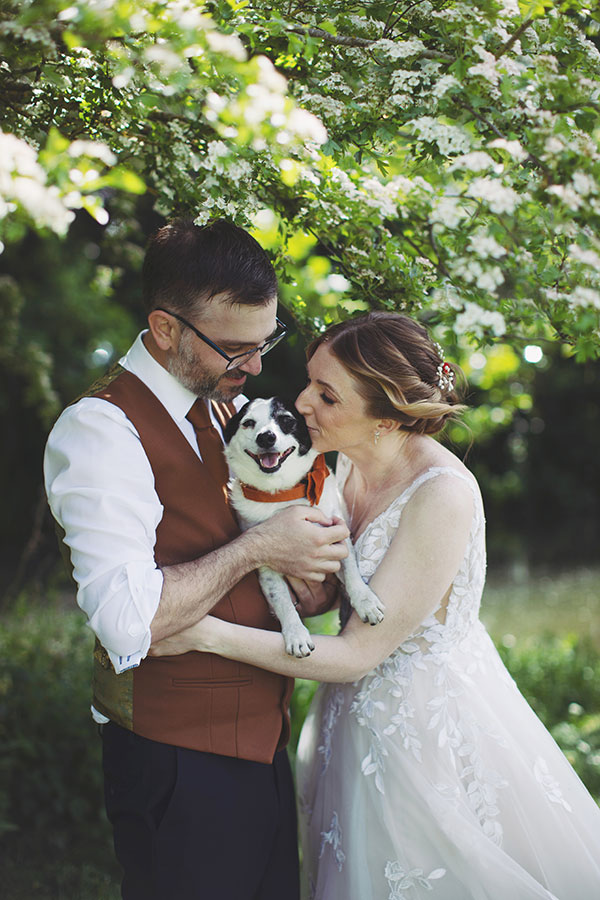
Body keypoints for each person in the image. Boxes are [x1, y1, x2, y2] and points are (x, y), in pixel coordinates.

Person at [151, 311, 600, 899]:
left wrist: (201, 633)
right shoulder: (345, 465)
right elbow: (337, 596)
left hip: (423, 729)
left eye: (327, 395)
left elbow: (356, 653)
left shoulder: (441, 495)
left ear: (386, 418)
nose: (304, 404)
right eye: (309, 382)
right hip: (350, 719)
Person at [43, 218, 350, 900]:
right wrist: (260, 549)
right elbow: (127, 623)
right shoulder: (101, 430)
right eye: (235, 347)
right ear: (165, 330)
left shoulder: (231, 412)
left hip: (264, 746)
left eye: (265, 342)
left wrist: (308, 581)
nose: (257, 366)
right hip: (178, 766)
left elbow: (311, 575)